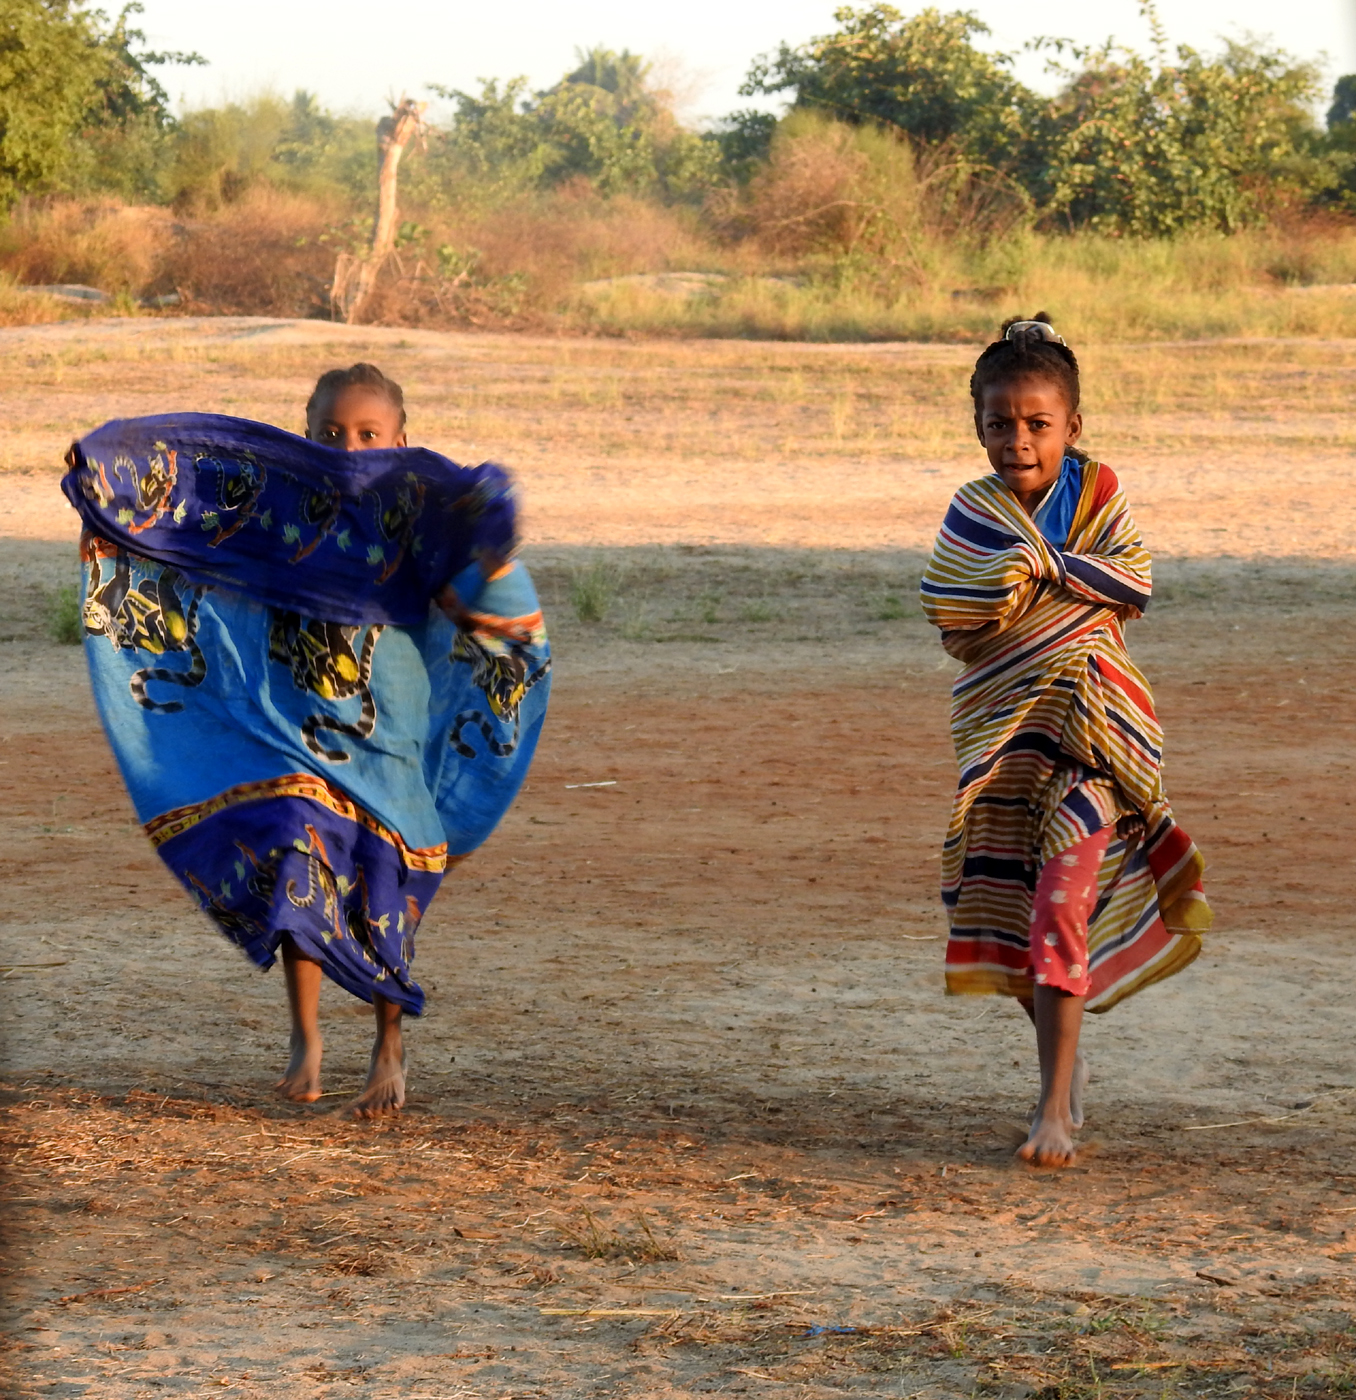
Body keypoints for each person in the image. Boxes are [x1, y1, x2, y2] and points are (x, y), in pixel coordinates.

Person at [63, 363, 550, 1118]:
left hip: (390, 738)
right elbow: (188, 491)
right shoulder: (277, 505)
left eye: (367, 434)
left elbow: (477, 583)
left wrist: (488, 539)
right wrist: (106, 474)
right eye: (329, 432)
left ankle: (389, 1046)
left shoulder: (415, 516)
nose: (348, 447)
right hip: (297, 734)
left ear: (399, 439)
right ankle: (306, 1038)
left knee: (384, 889)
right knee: (298, 861)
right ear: (304, 432)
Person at [919, 315, 1210, 1167]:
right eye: (999, 424)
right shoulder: (970, 514)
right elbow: (955, 615)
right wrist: (1044, 584)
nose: (1018, 441)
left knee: (1060, 907)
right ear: (977, 427)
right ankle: (1065, 1060)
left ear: (1072, 427)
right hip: (1006, 745)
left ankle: (1054, 1110)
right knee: (1009, 907)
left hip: (1095, 738)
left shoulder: (1096, 495)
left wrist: (1042, 568)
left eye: (1038, 424)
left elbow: (1136, 583)